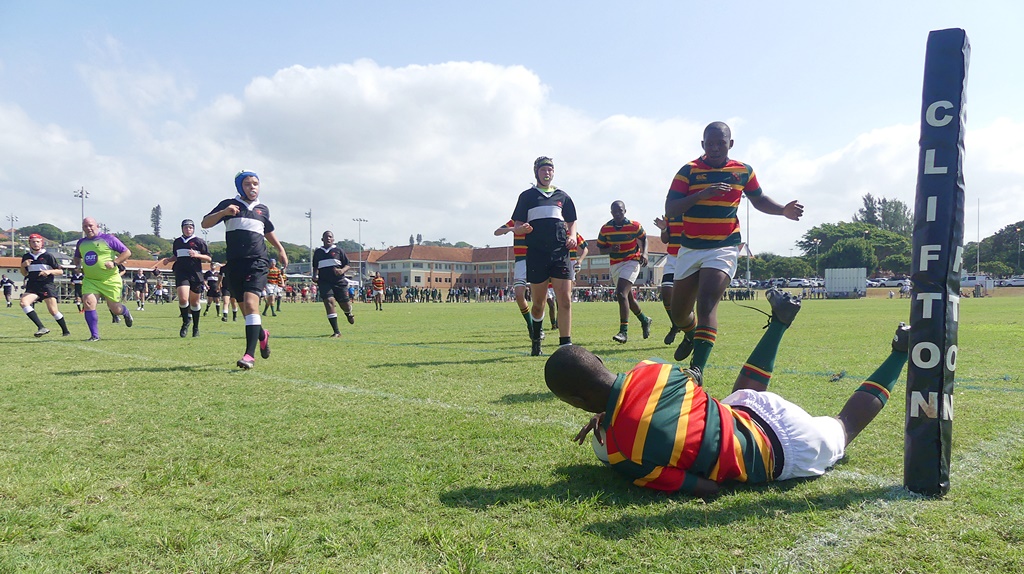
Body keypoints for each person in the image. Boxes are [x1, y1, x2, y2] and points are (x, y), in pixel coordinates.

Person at [545, 288, 909, 498]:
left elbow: (708, 488)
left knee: (844, 427)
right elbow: (681, 390)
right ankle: (779, 324)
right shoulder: (654, 368)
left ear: (576, 402)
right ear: (597, 359)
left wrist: (611, 425)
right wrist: (611, 410)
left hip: (781, 450)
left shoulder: (622, 452)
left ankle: (901, 352)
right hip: (751, 409)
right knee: (728, 403)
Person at [664, 121, 803, 372]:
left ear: (731, 143)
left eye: (721, 143)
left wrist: (783, 210)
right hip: (690, 248)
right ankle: (690, 333)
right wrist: (700, 195)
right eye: (710, 143)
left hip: (724, 247)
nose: (715, 148)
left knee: (706, 303)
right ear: (702, 144)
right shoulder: (688, 171)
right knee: (679, 314)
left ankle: (696, 371)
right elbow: (671, 209)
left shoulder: (743, 171)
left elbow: (758, 198)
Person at [202, 170, 288, 369]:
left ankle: (249, 355)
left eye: (256, 184)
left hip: (257, 262)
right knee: (247, 311)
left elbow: (268, 230)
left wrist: (281, 249)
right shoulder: (229, 204)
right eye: (248, 184)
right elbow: (204, 222)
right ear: (240, 187)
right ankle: (262, 334)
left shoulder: (263, 209)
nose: (253, 187)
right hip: (234, 264)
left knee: (251, 304)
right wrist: (223, 213)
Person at [510, 156, 578, 356]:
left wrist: (572, 235)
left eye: (550, 169)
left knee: (564, 300)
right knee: (539, 304)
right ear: (536, 173)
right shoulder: (527, 196)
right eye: (543, 170)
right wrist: (522, 228)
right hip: (537, 254)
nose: (547, 173)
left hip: (560, 253)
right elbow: (516, 225)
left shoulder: (562, 196)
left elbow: (572, 220)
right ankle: (536, 341)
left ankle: (565, 347)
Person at [596, 200, 653, 344]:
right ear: (611, 213)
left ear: (625, 211)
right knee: (628, 298)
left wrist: (645, 254)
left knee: (621, 293)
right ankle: (645, 320)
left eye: (620, 211)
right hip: (616, 264)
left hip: (632, 261)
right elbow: (601, 249)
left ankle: (623, 332)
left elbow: (644, 238)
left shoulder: (634, 226)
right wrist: (610, 249)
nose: (618, 214)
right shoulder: (605, 229)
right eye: (615, 211)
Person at [72, 217, 134, 341]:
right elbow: (77, 257)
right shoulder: (81, 243)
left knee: (115, 309)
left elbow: (127, 252)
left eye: (90, 225)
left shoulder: (108, 239)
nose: (88, 228)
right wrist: (78, 266)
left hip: (110, 279)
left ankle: (125, 312)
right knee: (88, 303)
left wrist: (114, 262)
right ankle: (94, 336)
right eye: (85, 226)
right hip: (91, 280)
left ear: (97, 226)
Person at [159, 219, 212, 338]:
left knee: (195, 302)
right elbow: (177, 255)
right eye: (186, 227)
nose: (188, 229)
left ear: (193, 229)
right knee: (183, 299)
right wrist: (169, 260)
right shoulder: (177, 242)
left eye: (190, 227)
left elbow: (208, 258)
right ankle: (185, 322)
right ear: (182, 228)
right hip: (182, 273)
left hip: (196, 274)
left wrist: (197, 255)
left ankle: (196, 327)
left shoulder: (199, 241)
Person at [18, 234, 71, 337]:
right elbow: (24, 274)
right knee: (23, 303)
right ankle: (41, 327)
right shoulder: (26, 257)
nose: (35, 244)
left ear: (42, 243)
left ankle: (65, 331)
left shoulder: (48, 256)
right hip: (33, 285)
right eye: (33, 242)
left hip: (46, 285)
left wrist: (48, 272)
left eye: (38, 241)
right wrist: (23, 266)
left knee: (53, 311)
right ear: (29, 243)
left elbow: (60, 271)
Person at [312, 230, 355, 337]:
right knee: (329, 302)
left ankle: (348, 313)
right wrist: (314, 275)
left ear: (333, 239)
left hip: (339, 282)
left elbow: (348, 264)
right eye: (326, 237)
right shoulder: (318, 252)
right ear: (322, 239)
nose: (328, 238)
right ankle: (336, 331)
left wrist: (342, 271)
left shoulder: (338, 250)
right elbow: (315, 266)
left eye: (330, 237)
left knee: (344, 304)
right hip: (324, 281)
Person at [653, 214, 684, 344]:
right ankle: (675, 325)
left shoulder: (695, 210)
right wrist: (664, 229)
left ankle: (690, 335)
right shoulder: (670, 215)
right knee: (666, 294)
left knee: (688, 301)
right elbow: (665, 240)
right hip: (672, 258)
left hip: (690, 258)